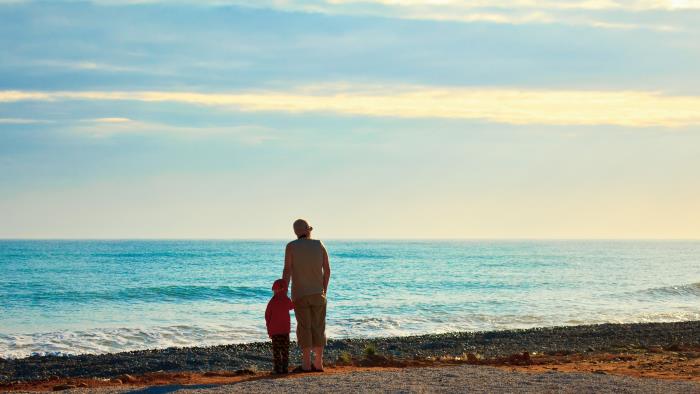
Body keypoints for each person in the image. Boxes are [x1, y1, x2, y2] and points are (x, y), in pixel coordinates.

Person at [283, 219, 331, 372]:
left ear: (296, 232)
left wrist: (284, 293)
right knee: (319, 327)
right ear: (308, 230)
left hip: (300, 294)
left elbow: (287, 271)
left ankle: (306, 364)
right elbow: (327, 270)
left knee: (304, 327)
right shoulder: (319, 244)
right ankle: (318, 363)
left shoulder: (291, 247)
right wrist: (324, 289)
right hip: (318, 293)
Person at [264, 278, 294, 374]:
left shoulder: (272, 301)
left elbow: (267, 315)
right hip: (285, 330)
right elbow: (292, 307)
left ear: (275, 289)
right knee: (285, 351)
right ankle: (285, 369)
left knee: (276, 351)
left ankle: (277, 369)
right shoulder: (286, 299)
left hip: (275, 331)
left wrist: (269, 328)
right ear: (284, 289)